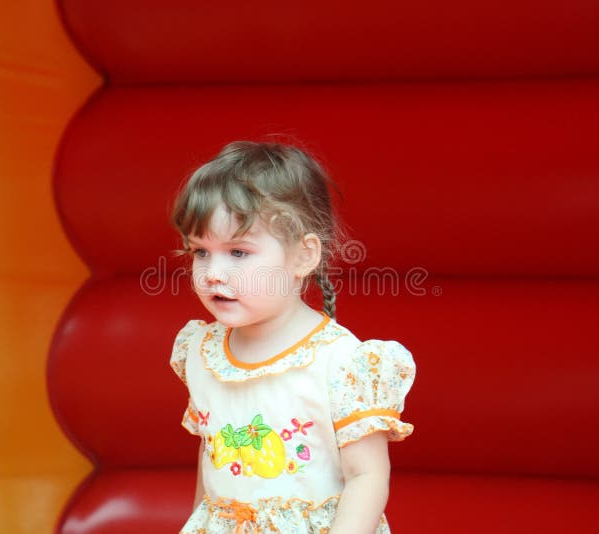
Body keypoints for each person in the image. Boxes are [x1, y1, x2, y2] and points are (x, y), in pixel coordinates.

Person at [169, 140, 416, 533]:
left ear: (303, 256)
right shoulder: (202, 352)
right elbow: (212, 459)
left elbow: (367, 478)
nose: (213, 272)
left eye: (238, 252)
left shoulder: (342, 362)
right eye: (200, 252)